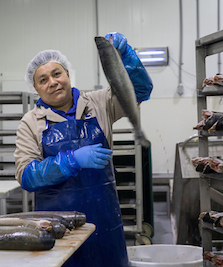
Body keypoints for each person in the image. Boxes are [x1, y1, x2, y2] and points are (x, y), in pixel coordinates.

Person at [14, 32, 153, 267]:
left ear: (67, 74)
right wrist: (71, 160)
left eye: (57, 73)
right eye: (43, 79)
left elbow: (140, 91)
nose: (53, 82)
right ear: (36, 89)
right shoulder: (30, 122)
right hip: (58, 228)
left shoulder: (99, 103)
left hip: (105, 223)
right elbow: (27, 176)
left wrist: (126, 56)